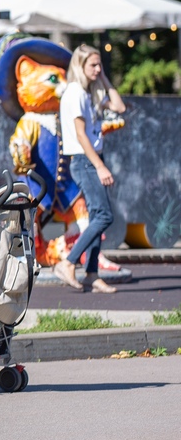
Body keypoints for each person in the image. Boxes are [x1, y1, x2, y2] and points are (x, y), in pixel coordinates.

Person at [53, 45, 126, 293]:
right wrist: (100, 166)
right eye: (93, 65)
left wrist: (104, 77)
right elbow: (80, 135)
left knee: (97, 217)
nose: (97, 69)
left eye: (99, 64)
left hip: (91, 158)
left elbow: (119, 107)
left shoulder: (90, 91)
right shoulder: (75, 93)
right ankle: (68, 262)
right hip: (85, 160)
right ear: (80, 66)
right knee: (105, 216)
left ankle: (92, 274)